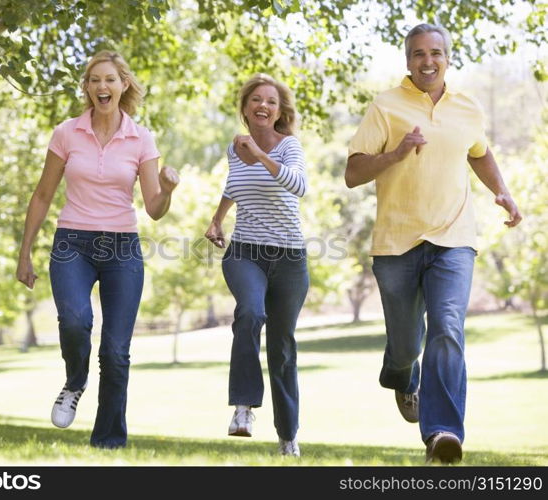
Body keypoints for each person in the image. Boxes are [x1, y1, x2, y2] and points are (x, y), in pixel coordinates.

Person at [345, 24, 522, 464]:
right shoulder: (386, 106)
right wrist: (396, 154)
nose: (428, 61)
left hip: (454, 238)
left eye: (436, 53)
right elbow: (353, 172)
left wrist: (501, 190)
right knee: (406, 346)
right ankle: (403, 377)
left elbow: (479, 153)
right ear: (408, 61)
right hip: (396, 242)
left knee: (447, 327)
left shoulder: (467, 107)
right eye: (419, 54)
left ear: (448, 57)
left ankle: (442, 432)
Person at [17, 50, 179, 449]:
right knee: (74, 320)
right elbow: (42, 195)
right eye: (94, 80)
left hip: (122, 247)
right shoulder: (67, 133)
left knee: (116, 352)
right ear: (87, 88)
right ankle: (75, 382)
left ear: (124, 85)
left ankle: (108, 441)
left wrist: (169, 189)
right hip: (72, 241)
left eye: (109, 79)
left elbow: (154, 209)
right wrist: (25, 254)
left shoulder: (141, 137)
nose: (101, 87)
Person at [205, 74, 309, 457]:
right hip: (245, 251)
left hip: (289, 259)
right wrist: (217, 219)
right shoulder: (236, 149)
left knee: (281, 348)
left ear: (279, 112)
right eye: (256, 100)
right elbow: (235, 185)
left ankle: (288, 435)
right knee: (250, 312)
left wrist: (260, 156)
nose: (263, 106)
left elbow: (299, 185)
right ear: (246, 108)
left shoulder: (289, 146)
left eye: (271, 101)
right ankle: (243, 407)